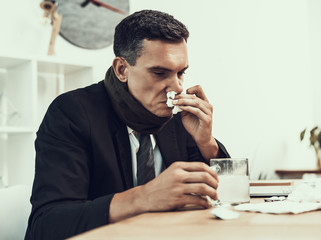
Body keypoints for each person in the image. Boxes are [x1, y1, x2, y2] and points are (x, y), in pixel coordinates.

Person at [25, 9, 230, 240]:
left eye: (180, 73)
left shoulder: (177, 119)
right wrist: (144, 197)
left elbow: (227, 198)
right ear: (122, 69)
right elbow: (47, 224)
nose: (177, 88)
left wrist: (207, 143)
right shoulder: (71, 113)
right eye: (160, 73)